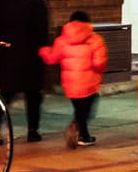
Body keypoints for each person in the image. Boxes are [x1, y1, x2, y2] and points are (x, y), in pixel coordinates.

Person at [0, 0, 51, 141]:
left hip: (7, 51)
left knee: (6, 93)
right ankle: (33, 130)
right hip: (31, 51)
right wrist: (43, 47)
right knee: (33, 94)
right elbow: (42, 25)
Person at [41, 9, 109, 148]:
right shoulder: (95, 40)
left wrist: (42, 50)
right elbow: (99, 63)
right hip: (89, 82)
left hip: (70, 84)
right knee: (85, 109)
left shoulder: (61, 40)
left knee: (79, 108)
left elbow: (52, 58)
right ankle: (78, 128)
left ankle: (83, 134)